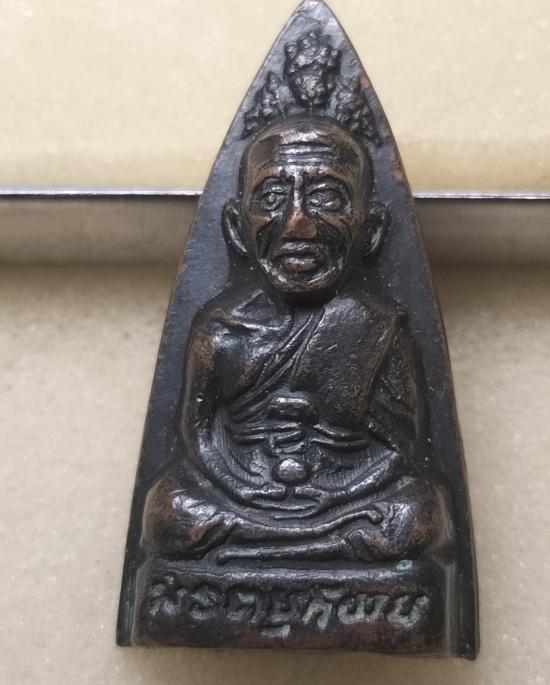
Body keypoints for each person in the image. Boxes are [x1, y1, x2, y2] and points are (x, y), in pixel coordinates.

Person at [141, 116, 453, 565]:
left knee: (420, 512)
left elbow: (401, 447)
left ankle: (270, 549)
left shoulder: (375, 325)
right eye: (271, 197)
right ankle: (317, 549)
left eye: (326, 197)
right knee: (168, 509)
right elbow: (199, 432)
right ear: (236, 228)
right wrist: (245, 488)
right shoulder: (221, 329)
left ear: (371, 229)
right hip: (244, 493)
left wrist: (338, 493)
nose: (297, 225)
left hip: (346, 497)